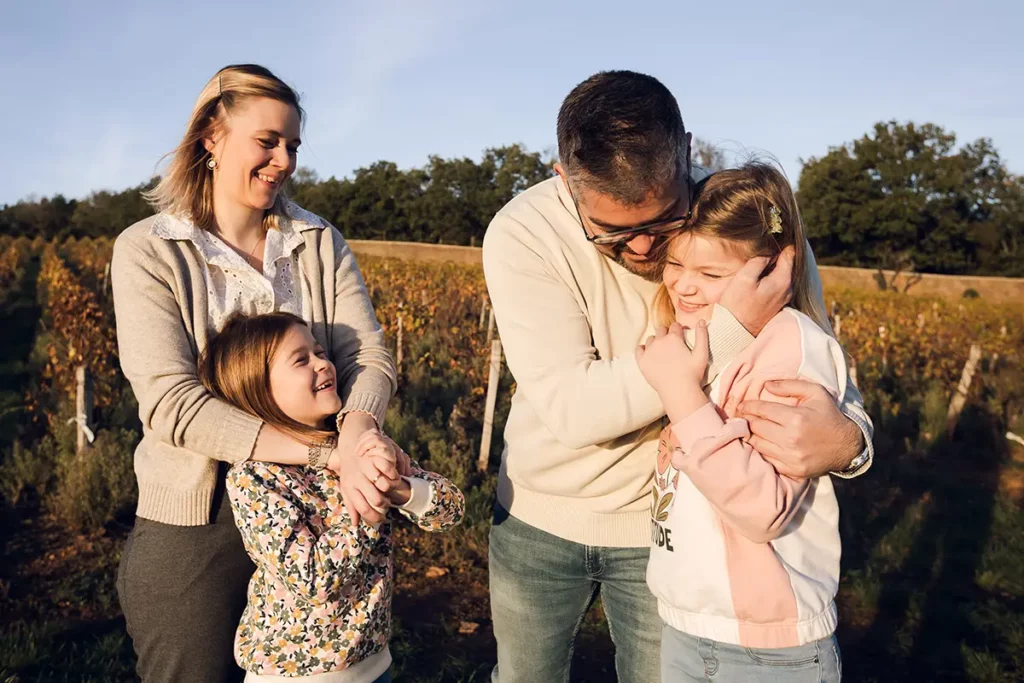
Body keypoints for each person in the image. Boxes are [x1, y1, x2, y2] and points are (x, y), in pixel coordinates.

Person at [481, 70, 873, 683]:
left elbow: (821, 366)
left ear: (687, 154)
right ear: (564, 178)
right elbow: (572, 409)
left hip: (672, 537)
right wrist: (728, 331)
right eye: (613, 231)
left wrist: (852, 443)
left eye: (662, 221)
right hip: (540, 521)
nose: (643, 249)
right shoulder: (521, 233)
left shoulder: (747, 228)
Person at [111, 64, 398, 683]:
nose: (284, 161)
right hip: (201, 511)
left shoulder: (317, 240)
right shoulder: (148, 249)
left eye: (293, 145)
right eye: (267, 141)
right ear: (211, 137)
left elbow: (368, 357)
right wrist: (326, 454)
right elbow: (171, 403)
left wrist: (357, 432)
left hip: (319, 506)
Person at [638, 162, 845, 681]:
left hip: (769, 650)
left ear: (772, 271)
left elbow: (762, 510)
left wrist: (682, 394)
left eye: (711, 275)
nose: (684, 286)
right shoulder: (693, 335)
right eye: (675, 264)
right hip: (686, 626)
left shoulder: (790, 349)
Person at [195, 312, 464, 683]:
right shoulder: (255, 477)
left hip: (374, 663)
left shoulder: (356, 446)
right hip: (296, 675)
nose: (323, 364)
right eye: (301, 360)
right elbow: (313, 578)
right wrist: (369, 509)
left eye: (320, 352)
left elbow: (450, 511)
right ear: (258, 389)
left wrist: (400, 488)